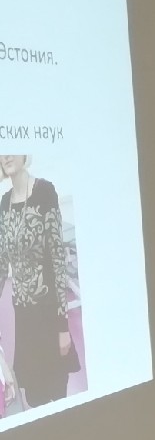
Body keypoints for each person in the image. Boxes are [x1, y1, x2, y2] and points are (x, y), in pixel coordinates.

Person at [0, 154, 78, 409]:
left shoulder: (44, 191)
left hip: (49, 315)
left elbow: (57, 260)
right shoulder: (4, 203)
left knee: (57, 396)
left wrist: (63, 328)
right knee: (35, 398)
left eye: (12, 149)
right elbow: (2, 264)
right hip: (24, 318)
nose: (6, 155)